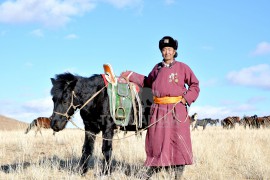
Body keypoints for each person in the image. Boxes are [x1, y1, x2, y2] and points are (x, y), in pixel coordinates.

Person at [121, 36, 200, 179]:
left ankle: (177, 173)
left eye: (169, 49)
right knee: (155, 140)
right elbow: (147, 81)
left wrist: (186, 98)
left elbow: (195, 85)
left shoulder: (183, 67)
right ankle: (152, 168)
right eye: (164, 50)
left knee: (178, 140)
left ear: (174, 51)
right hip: (158, 110)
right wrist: (131, 75)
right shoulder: (157, 69)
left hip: (177, 109)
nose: (167, 52)